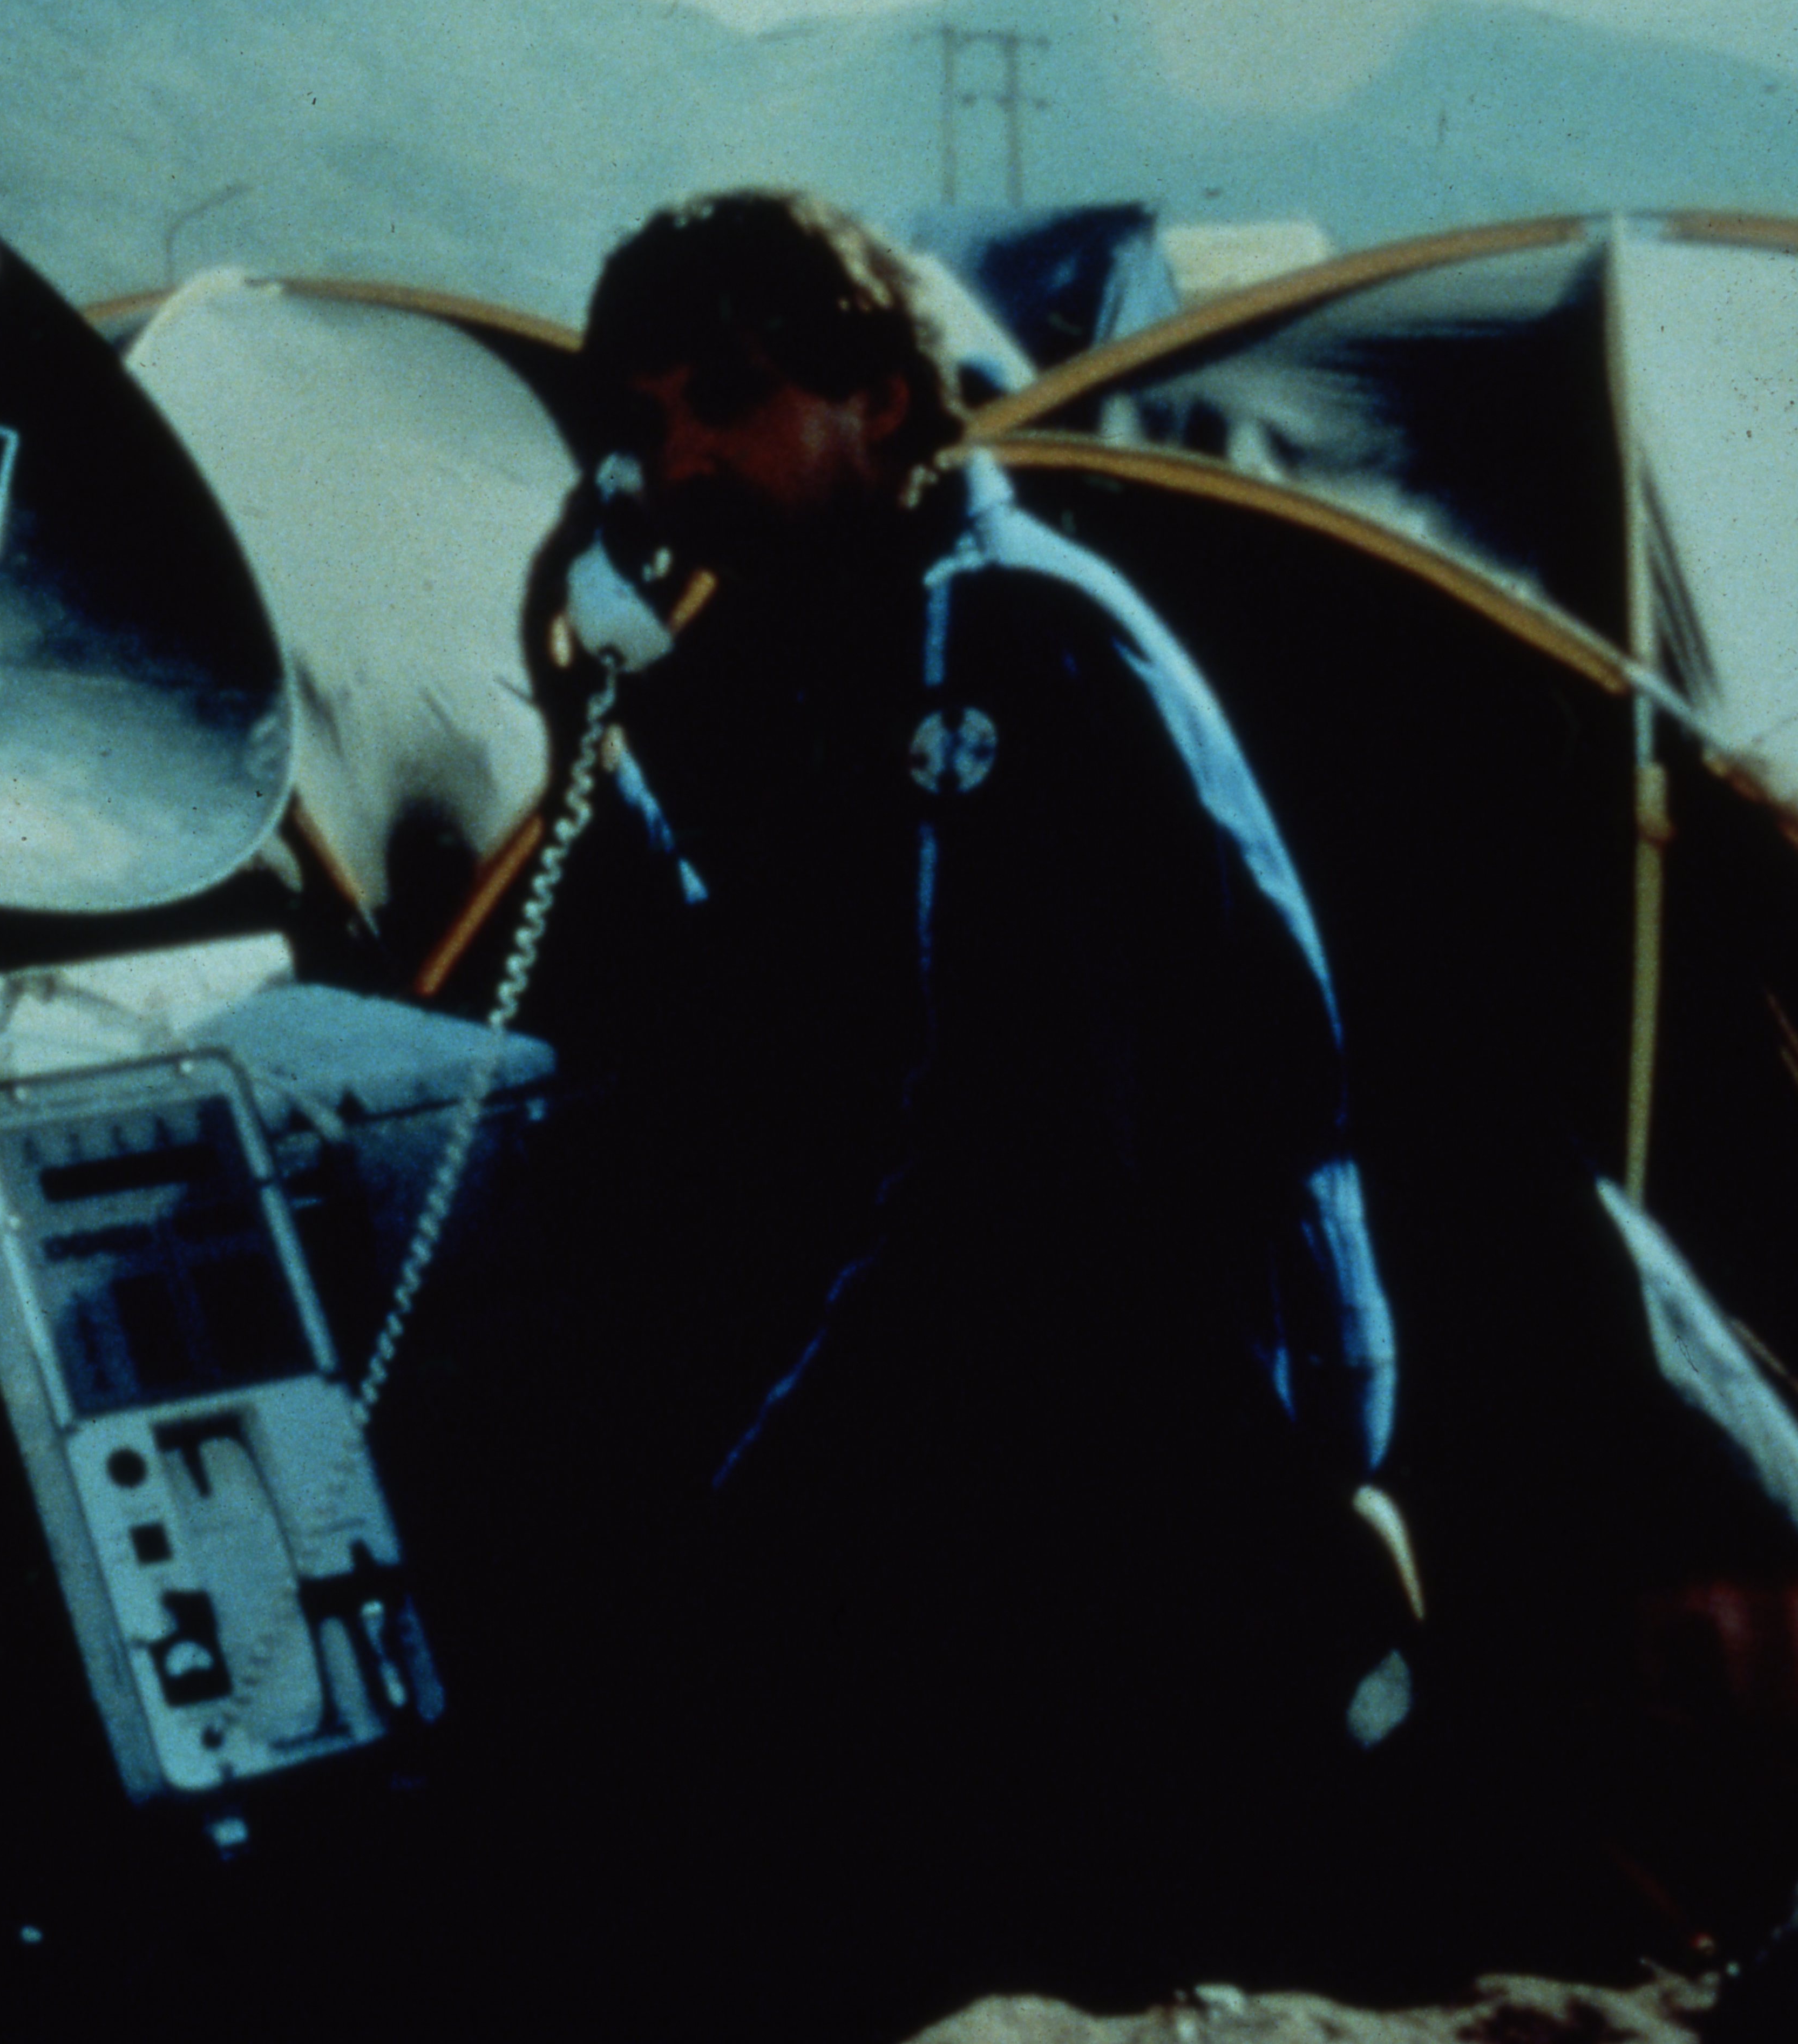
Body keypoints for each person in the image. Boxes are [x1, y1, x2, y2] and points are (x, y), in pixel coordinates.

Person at [439, 190, 1415, 2022]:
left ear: (879, 397)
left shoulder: (993, 651)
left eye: (728, 399)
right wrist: (595, 729)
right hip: (1105, 1358)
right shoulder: (888, 638)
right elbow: (781, 1021)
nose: (685, 459)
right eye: (651, 425)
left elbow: (1000, 1171)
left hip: (1189, 1410)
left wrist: (750, 1502)